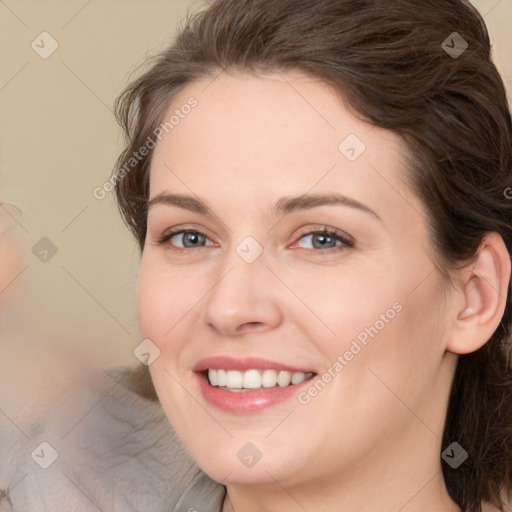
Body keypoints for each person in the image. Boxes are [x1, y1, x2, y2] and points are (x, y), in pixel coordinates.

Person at [2, 0, 511, 510]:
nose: (230, 307)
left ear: (475, 296)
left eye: (321, 238)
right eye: (190, 237)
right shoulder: (55, 465)